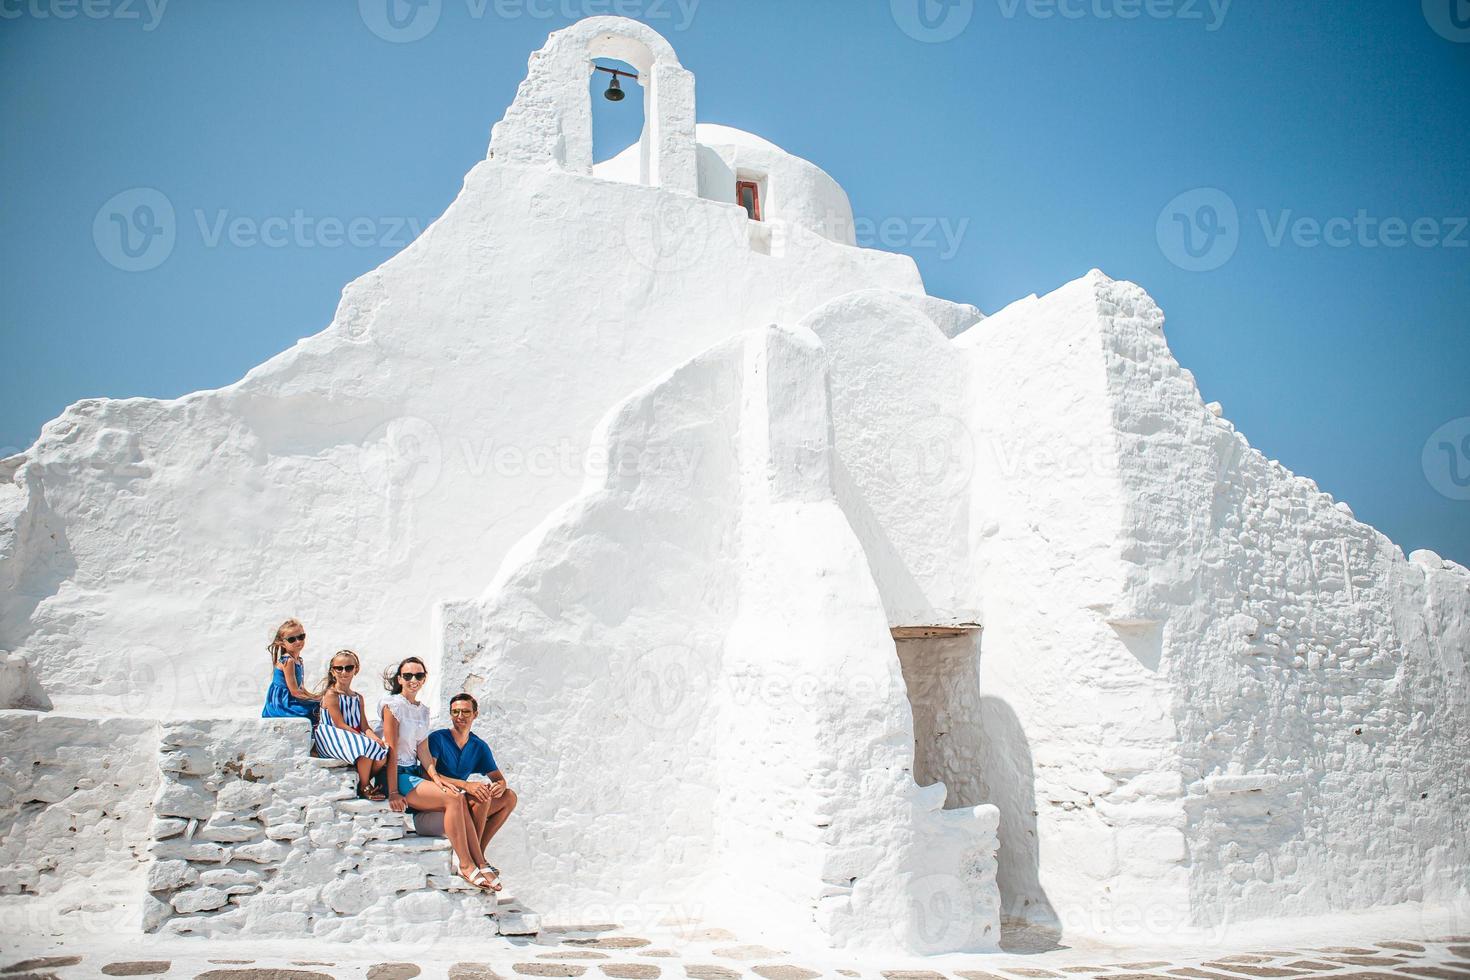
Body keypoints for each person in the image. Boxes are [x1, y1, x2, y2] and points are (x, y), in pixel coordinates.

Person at [379, 656, 500, 892]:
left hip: (413, 772)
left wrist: (436, 780)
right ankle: (466, 865)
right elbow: (391, 750)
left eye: (419, 675)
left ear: (424, 678)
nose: (413, 680)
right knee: (454, 798)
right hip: (396, 774)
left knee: (457, 796)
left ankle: (480, 861)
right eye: (408, 675)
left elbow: (422, 750)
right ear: (399, 679)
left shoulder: (422, 711)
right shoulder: (392, 706)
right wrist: (393, 791)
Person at [428, 693, 518, 858]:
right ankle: (471, 858)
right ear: (450, 714)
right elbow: (428, 774)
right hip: (439, 802)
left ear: (475, 714)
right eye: (455, 712)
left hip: (461, 801)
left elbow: (498, 778)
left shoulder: (479, 746)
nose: (460, 716)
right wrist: (466, 785)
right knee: (480, 796)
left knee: (509, 797)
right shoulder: (437, 738)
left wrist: (500, 786)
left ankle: (478, 854)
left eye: (466, 712)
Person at [312, 649, 390, 800]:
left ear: (356, 670)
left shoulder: (358, 697)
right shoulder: (331, 694)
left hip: (352, 735)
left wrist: (375, 738)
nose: (343, 672)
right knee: (366, 747)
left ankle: (361, 780)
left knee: (382, 755)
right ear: (332, 671)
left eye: (348, 668)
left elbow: (364, 726)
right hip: (332, 735)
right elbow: (339, 724)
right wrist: (367, 740)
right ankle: (365, 787)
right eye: (338, 668)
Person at [261, 618, 319, 719]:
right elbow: (295, 692)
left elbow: (301, 688)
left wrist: (316, 697)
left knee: (321, 703)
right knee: (317, 709)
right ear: (282, 643)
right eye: (292, 639)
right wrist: (315, 701)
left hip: (291, 699)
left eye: (301, 637)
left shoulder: (299, 660)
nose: (298, 641)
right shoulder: (288, 661)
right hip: (282, 704)